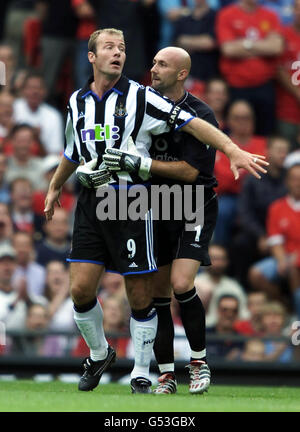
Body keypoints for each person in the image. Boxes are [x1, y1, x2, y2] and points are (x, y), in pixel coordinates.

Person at [45, 28, 267, 395]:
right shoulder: (76, 100)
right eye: (109, 47)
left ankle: (147, 372)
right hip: (92, 201)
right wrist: (54, 187)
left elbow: (196, 128)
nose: (118, 53)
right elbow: (72, 149)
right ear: (91, 56)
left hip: (136, 200)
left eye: (122, 48)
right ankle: (100, 354)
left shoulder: (142, 97)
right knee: (81, 290)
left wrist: (231, 149)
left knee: (149, 291)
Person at [216, 0, 284, 136]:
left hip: (264, 86)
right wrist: (264, 45)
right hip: (236, 87)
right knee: (234, 134)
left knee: (265, 134)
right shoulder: (226, 14)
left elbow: (276, 48)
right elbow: (228, 50)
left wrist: (244, 44)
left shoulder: (270, 15)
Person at [13, 71, 64, 154]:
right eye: (31, 88)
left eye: (39, 88)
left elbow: (55, 152)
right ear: (23, 90)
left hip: (42, 162)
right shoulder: (13, 107)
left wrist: (38, 139)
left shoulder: (54, 115)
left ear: (45, 91)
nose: (35, 92)